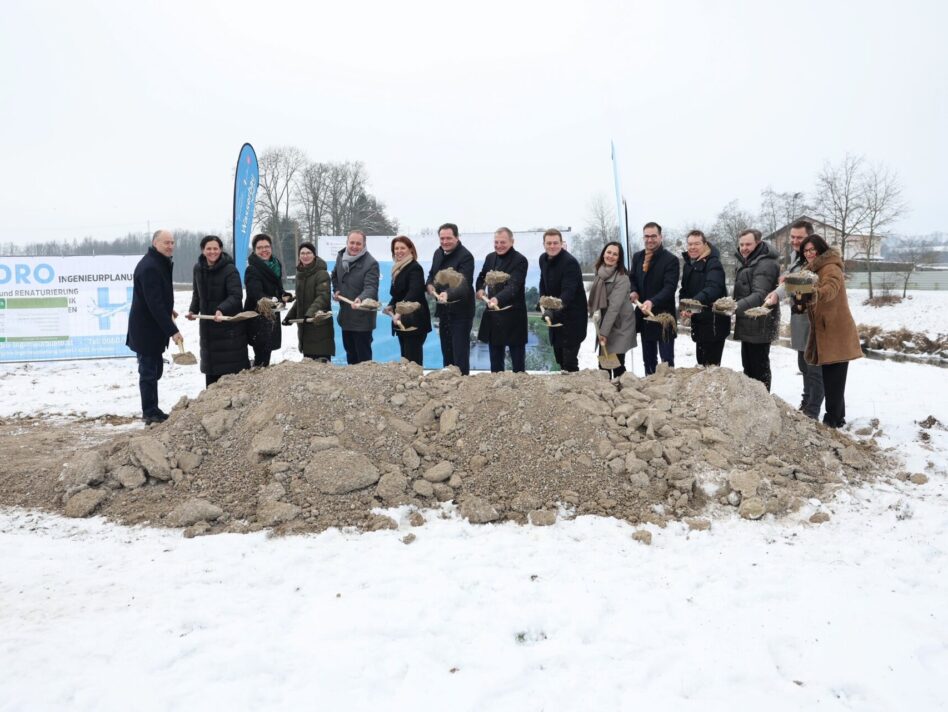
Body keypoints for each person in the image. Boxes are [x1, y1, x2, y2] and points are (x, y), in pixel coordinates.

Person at [799, 234, 862, 428]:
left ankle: (832, 420)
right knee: (831, 378)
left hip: (837, 332)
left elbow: (830, 289)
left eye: (812, 249)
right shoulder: (811, 270)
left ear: (821, 249)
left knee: (834, 380)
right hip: (825, 330)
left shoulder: (831, 267)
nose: (809, 253)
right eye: (806, 250)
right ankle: (838, 417)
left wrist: (815, 292)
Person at [765, 219, 824, 418]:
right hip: (798, 317)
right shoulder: (795, 257)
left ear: (810, 238)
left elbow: (809, 283)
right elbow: (790, 282)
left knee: (814, 367)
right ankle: (805, 403)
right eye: (793, 237)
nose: (795, 241)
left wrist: (788, 283)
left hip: (814, 319)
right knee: (803, 365)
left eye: (800, 237)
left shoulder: (817, 259)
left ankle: (812, 411)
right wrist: (777, 293)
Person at [126, 229, 183, 424]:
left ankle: (153, 409)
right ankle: (149, 412)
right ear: (155, 243)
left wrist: (169, 310)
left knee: (155, 370)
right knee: (149, 372)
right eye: (166, 242)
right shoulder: (150, 266)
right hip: (145, 330)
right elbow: (154, 304)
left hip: (152, 328)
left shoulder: (159, 262)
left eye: (172, 242)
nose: (170, 246)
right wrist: (173, 331)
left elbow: (156, 298)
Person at [185, 235, 248, 387]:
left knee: (231, 377)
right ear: (203, 250)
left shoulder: (230, 269)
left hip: (228, 330)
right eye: (209, 248)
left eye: (215, 248)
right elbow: (197, 294)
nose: (212, 252)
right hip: (208, 329)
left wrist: (221, 309)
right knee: (211, 376)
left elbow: (236, 296)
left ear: (220, 250)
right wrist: (193, 310)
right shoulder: (198, 268)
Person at [475, 227, 529, 372]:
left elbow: (514, 286)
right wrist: (480, 289)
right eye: (496, 242)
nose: (499, 245)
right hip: (494, 317)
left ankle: (520, 384)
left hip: (514, 317)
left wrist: (497, 299)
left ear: (512, 242)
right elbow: (482, 277)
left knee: (518, 366)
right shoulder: (490, 258)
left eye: (503, 242)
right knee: (495, 363)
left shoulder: (520, 260)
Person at [732, 228, 780, 391]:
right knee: (748, 367)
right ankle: (753, 401)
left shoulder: (765, 263)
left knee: (759, 368)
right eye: (741, 244)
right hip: (748, 321)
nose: (744, 248)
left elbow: (761, 295)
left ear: (758, 243)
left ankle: (763, 401)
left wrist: (734, 307)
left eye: (748, 244)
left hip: (760, 322)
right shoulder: (747, 261)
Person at [629, 221, 680, 375]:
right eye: (646, 236)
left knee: (666, 361)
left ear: (660, 237)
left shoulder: (671, 260)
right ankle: (650, 386)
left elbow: (670, 288)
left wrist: (652, 301)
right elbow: (632, 279)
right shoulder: (638, 257)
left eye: (653, 236)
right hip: (645, 317)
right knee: (649, 360)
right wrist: (634, 291)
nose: (650, 240)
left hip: (664, 318)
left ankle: (668, 387)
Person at [426, 222, 475, 375]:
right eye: (442, 238)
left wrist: (448, 294)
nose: (445, 242)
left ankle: (463, 384)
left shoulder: (466, 257)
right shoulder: (438, 253)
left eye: (448, 238)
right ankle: (448, 384)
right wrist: (429, 285)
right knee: (446, 351)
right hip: (443, 311)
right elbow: (432, 274)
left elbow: (464, 283)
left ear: (457, 237)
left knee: (459, 353)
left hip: (461, 313)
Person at [538, 228, 587, 372]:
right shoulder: (543, 259)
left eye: (555, 243)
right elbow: (543, 283)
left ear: (561, 243)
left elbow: (568, 293)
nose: (552, 246)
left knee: (569, 362)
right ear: (544, 244)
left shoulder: (570, 263)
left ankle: (574, 386)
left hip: (572, 319)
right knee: (559, 359)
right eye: (549, 243)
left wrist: (552, 310)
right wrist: (542, 302)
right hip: (555, 317)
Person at [678, 230, 729, 366]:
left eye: (697, 244)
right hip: (699, 322)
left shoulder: (713, 263)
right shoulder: (689, 265)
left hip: (714, 323)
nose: (692, 247)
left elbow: (713, 288)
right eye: (690, 244)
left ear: (705, 244)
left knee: (711, 368)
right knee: (701, 364)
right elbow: (684, 290)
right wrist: (684, 307)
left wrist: (692, 304)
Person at [588, 241, 636, 378]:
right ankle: (607, 389)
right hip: (606, 321)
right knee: (604, 364)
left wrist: (603, 333)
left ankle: (626, 389)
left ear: (619, 258)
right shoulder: (600, 273)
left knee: (617, 364)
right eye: (609, 252)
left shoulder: (622, 278)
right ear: (603, 253)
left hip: (620, 325)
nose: (611, 256)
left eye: (615, 254)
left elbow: (614, 307)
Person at [244, 233, 292, 367]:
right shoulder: (252, 269)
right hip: (258, 316)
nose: (264, 250)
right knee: (261, 354)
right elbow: (255, 293)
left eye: (266, 247)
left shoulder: (276, 265)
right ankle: (257, 373)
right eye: (259, 248)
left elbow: (278, 288)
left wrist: (284, 295)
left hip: (272, 314)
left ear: (271, 248)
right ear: (254, 250)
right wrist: (274, 300)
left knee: (267, 352)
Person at [332, 229, 379, 365]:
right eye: (352, 242)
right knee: (350, 355)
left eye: (358, 244)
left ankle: (366, 379)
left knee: (363, 360)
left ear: (364, 245)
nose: (354, 246)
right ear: (347, 242)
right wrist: (337, 290)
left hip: (362, 320)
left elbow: (371, 287)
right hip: (346, 317)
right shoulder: (341, 257)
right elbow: (334, 276)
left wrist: (361, 298)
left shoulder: (371, 263)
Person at [384, 235, 431, 366]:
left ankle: (416, 379)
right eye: (396, 248)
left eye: (402, 248)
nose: (399, 251)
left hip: (414, 320)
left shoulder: (414, 268)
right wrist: (391, 305)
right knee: (405, 359)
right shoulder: (398, 269)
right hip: (402, 321)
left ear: (410, 249)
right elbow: (398, 294)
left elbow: (414, 293)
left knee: (413, 360)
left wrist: (399, 311)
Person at [284, 242, 334, 362]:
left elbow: (323, 297)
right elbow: (299, 300)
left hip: (318, 325)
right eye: (302, 253)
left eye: (308, 253)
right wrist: (289, 316)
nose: (305, 256)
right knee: (308, 366)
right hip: (305, 328)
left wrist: (310, 314)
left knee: (321, 365)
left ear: (314, 255)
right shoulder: (300, 275)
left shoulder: (322, 274)